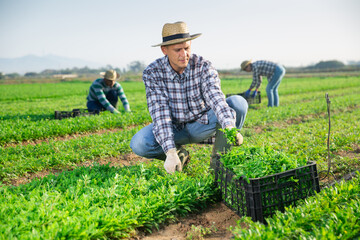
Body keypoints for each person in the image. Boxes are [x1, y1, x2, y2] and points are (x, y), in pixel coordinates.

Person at [130, 21, 248, 174]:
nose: (184, 54)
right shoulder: (153, 72)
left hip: (203, 124)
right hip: (175, 128)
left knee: (238, 103)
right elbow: (160, 113)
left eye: (187, 48)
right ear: (164, 50)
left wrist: (229, 127)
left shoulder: (203, 66)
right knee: (140, 143)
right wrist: (170, 151)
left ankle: (219, 165)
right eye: (177, 50)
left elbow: (216, 98)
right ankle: (180, 157)